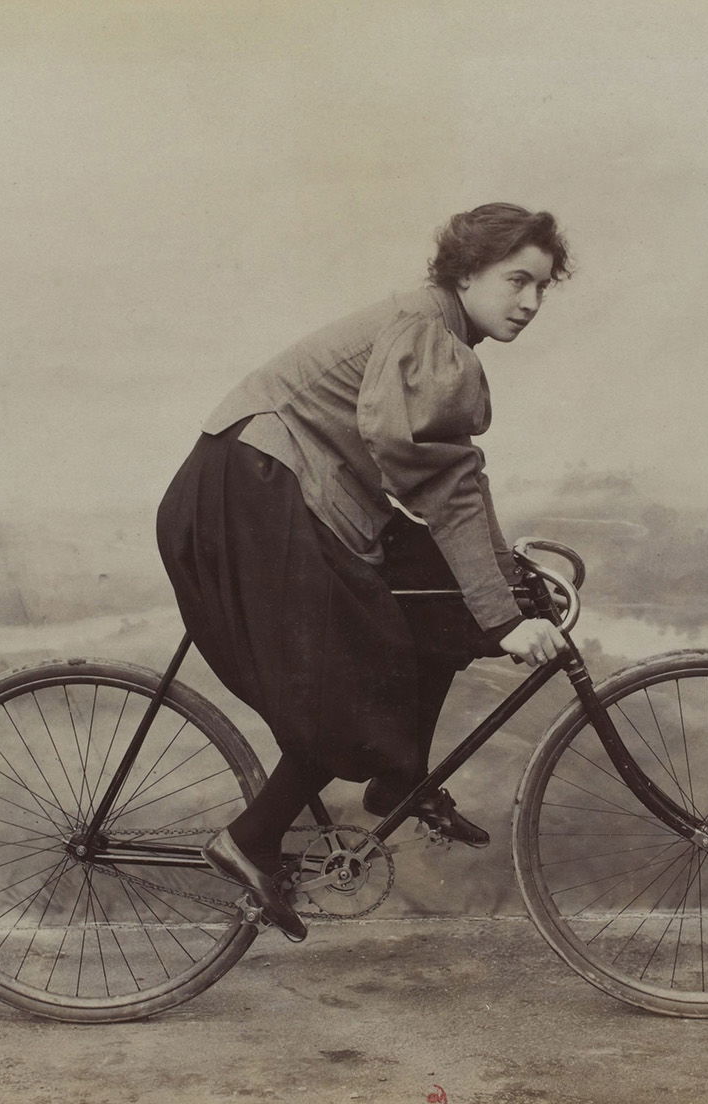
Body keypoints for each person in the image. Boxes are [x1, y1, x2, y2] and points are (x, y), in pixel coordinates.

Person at [156, 203, 571, 940]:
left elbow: (436, 482)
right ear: (467, 271)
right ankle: (250, 839)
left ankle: (398, 778)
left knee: (447, 603)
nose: (531, 303)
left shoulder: (437, 332)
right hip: (249, 489)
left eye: (542, 287)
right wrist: (508, 618)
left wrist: (498, 584)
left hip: (287, 486)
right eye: (518, 281)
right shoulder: (426, 333)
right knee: (350, 675)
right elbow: (440, 478)